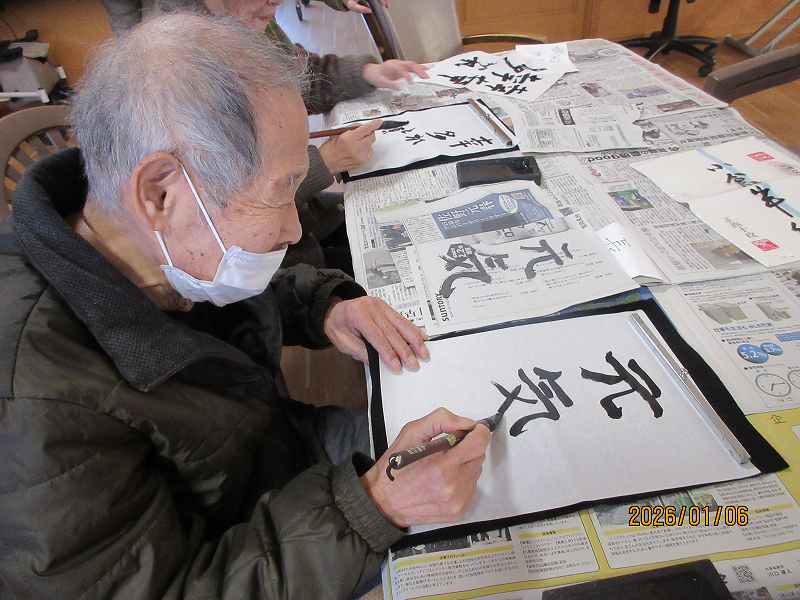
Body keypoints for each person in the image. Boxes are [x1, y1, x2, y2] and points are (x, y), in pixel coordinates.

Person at [0, 14, 490, 599]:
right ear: (159, 192)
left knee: (483, 447)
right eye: (280, 192)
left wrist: (321, 305)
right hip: (247, 544)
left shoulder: (134, 240)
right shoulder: (38, 407)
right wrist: (375, 508)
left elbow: (223, 290)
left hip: (273, 456)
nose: (294, 229)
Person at [101, 0, 429, 270]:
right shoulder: (179, 70)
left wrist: (367, 72)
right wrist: (326, 162)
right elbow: (232, 215)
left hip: (301, 227)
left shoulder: (253, 20)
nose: (278, 3)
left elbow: (302, 76)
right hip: (267, 260)